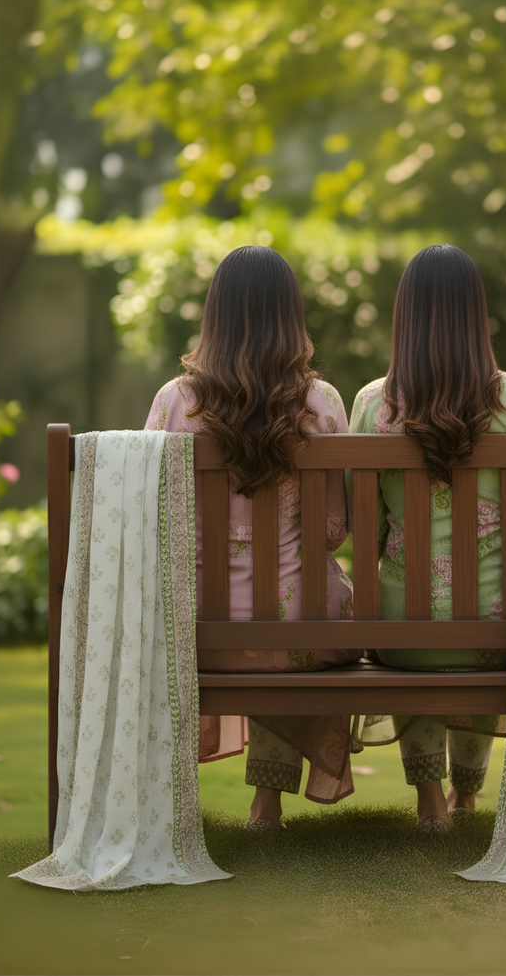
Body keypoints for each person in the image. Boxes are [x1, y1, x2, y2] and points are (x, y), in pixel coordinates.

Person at [145, 245, 357, 828]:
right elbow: (334, 532)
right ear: (292, 317)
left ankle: (201, 801)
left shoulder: (174, 402)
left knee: (277, 610)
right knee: (314, 599)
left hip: (199, 633)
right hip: (305, 635)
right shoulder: (322, 403)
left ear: (215, 317)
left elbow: (156, 524)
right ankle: (267, 801)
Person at [348, 245, 506, 831]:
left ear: (404, 319)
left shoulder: (372, 404)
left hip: (399, 634)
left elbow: (358, 526)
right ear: (476, 316)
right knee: (486, 610)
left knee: (416, 610)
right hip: (497, 631)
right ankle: (466, 793)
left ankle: (429, 797)